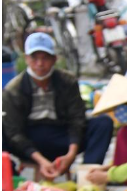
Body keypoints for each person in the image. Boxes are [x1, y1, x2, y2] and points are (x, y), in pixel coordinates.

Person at [2, 32, 112, 180]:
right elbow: (15, 133)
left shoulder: (68, 81)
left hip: (62, 136)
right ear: (26, 59)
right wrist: (41, 160)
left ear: (54, 59)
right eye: (35, 58)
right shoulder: (13, 90)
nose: (40, 64)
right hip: (30, 140)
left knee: (103, 123)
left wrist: (71, 154)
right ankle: (10, 179)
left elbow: (77, 119)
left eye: (45, 58)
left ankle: (86, 177)